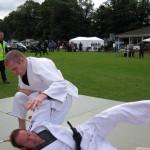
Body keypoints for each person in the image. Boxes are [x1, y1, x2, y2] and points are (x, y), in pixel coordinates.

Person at [10, 100, 150, 150]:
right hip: (90, 147)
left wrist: (35, 95)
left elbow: (42, 104)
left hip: (87, 129)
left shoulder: (38, 127)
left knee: (117, 111)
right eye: (27, 141)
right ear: (24, 147)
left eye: (28, 134)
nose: (31, 137)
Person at [4, 50, 78, 129]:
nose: (14, 73)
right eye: (12, 70)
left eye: (14, 69)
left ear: (21, 60)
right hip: (41, 99)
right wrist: (34, 94)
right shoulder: (22, 70)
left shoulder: (41, 64)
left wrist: (41, 95)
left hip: (61, 96)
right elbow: (22, 89)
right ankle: (22, 129)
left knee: (49, 128)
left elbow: (60, 84)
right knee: (19, 97)